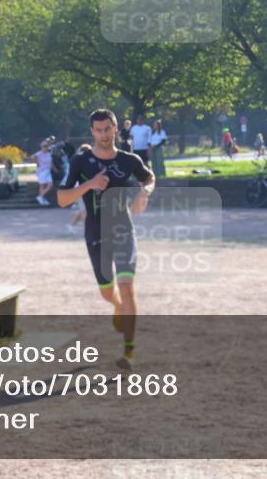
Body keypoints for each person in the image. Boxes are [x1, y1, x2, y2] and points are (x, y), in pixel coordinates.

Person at [57, 109, 155, 371]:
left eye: (107, 129)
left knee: (127, 287)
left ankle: (129, 351)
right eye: (98, 131)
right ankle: (118, 307)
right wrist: (89, 184)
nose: (103, 135)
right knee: (107, 292)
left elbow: (149, 178)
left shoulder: (128, 160)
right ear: (92, 132)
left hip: (123, 229)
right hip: (95, 232)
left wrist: (144, 192)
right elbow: (62, 198)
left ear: (115, 128)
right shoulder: (81, 162)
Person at [33, 139, 53, 206]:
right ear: (41, 147)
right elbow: (33, 157)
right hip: (42, 171)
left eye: (46, 146)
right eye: (44, 146)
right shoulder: (38, 154)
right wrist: (37, 163)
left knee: (50, 184)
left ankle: (40, 196)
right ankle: (42, 198)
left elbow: (51, 163)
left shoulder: (49, 154)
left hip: (48, 171)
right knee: (42, 185)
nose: (45, 147)